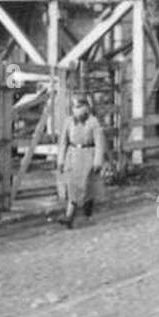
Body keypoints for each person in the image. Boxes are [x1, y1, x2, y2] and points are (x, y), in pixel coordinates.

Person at [55, 95, 106, 228]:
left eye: (79, 107)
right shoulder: (68, 122)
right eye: (74, 107)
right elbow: (63, 143)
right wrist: (60, 161)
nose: (76, 110)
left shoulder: (93, 122)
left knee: (87, 187)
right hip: (72, 156)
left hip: (88, 155)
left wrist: (98, 162)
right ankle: (69, 217)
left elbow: (99, 144)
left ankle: (87, 214)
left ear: (86, 108)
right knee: (73, 187)